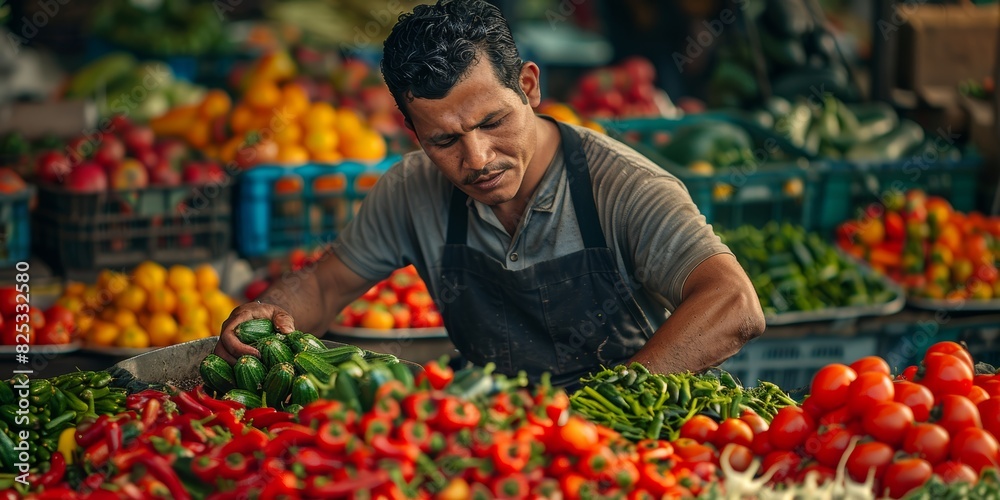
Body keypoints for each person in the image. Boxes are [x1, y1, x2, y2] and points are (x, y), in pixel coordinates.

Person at [215, 0, 765, 386]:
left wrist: (612, 401)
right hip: (501, 435)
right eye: (445, 140)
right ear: (413, 132)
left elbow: (734, 303)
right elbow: (324, 286)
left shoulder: (622, 186)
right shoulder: (410, 190)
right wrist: (270, 312)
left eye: (493, 122)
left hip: (633, 434)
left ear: (528, 86)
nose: (476, 159)